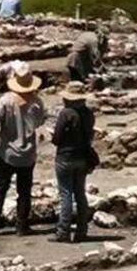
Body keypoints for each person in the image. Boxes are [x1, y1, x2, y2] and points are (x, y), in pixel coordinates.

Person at [0, 62, 46, 235]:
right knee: (24, 191)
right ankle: (22, 225)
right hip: (28, 154)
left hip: (8, 152)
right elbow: (40, 123)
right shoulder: (37, 103)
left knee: (0, 188)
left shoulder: (6, 101)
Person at [51, 83, 95, 243]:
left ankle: (63, 231)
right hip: (82, 157)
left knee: (66, 195)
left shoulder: (66, 113)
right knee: (80, 193)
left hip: (65, 157)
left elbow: (57, 138)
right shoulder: (89, 114)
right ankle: (82, 230)